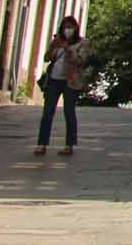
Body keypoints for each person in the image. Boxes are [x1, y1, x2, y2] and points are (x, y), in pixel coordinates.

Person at [34, 14, 88, 157]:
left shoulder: (82, 43)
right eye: (65, 27)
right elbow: (47, 58)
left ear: (75, 28)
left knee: (69, 112)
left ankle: (69, 145)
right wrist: (53, 47)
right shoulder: (57, 41)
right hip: (54, 79)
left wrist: (68, 49)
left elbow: (80, 61)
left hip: (71, 81)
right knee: (47, 112)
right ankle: (41, 144)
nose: (67, 30)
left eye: (70, 27)